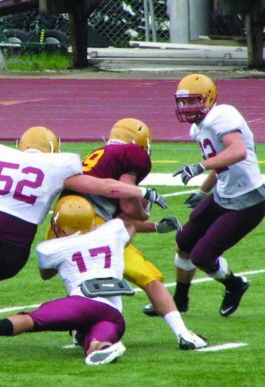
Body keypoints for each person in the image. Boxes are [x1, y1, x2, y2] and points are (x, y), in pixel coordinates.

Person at [0, 126, 168, 344]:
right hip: (16, 255)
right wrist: (143, 192)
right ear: (52, 149)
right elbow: (108, 187)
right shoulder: (58, 168)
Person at [53, 118, 207, 350]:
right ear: (140, 142)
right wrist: (143, 214)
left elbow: (117, 221)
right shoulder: (132, 154)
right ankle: (183, 334)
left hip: (61, 223)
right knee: (150, 278)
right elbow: (126, 208)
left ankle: (81, 328)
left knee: (79, 277)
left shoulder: (99, 156)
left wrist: (154, 226)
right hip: (92, 226)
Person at [0, 195, 135, 366]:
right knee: (94, 344)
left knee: (32, 319)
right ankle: (103, 348)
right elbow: (130, 225)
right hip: (113, 313)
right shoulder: (113, 231)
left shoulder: (52, 248)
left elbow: (46, 274)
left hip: (82, 302)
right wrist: (156, 228)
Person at [144, 73, 265, 317]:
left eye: (193, 101)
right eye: (184, 102)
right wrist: (203, 190)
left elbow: (238, 151)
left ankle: (234, 284)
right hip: (224, 193)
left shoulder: (222, 115)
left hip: (248, 200)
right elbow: (220, 162)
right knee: (185, 241)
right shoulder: (198, 128)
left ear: (209, 99)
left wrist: (200, 167)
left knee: (202, 256)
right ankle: (179, 300)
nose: (188, 107)